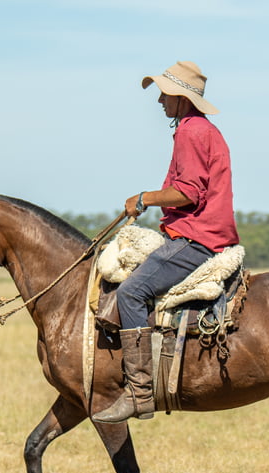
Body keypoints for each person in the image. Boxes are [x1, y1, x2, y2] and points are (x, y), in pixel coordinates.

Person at [93, 60, 239, 424]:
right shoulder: (200, 129)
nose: (160, 101)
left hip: (196, 237)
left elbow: (188, 193)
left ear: (181, 98)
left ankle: (139, 392)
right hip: (200, 233)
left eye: (164, 94)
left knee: (130, 293)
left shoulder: (192, 131)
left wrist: (144, 198)